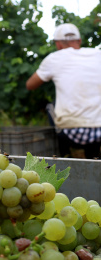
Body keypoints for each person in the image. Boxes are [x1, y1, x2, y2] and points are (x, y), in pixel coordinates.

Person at [26, 23, 101, 159]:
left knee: (51, 106)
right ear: (79, 41)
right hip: (99, 131)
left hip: (71, 133)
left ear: (59, 44)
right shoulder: (98, 54)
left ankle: (64, 154)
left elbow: (30, 85)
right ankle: (93, 156)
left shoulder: (54, 58)